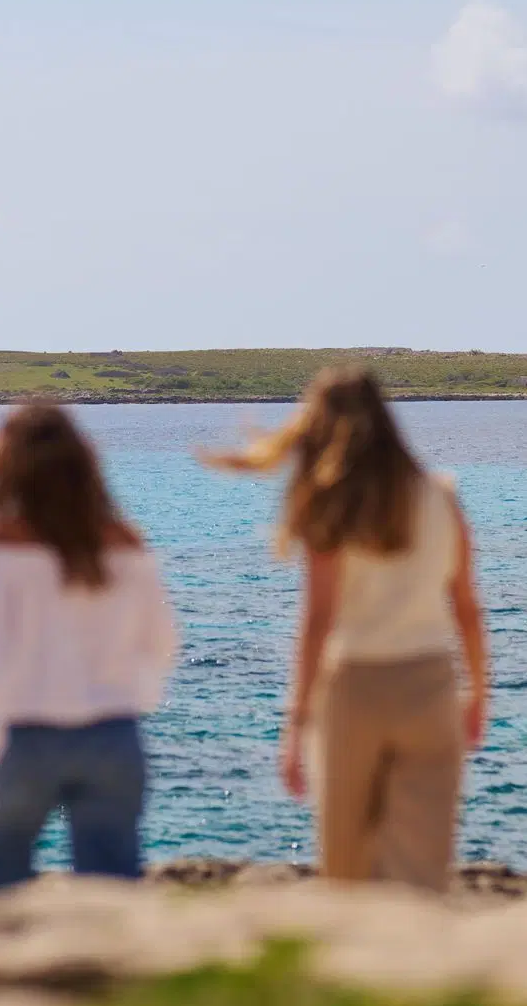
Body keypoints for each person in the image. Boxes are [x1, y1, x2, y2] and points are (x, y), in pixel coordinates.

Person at [205, 369, 489, 890]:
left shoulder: (330, 501)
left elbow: (319, 619)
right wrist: (478, 696)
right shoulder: (441, 496)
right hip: (430, 685)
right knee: (424, 869)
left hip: (354, 687)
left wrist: (295, 724)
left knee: (346, 867)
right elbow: (467, 606)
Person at [0, 403, 178, 893]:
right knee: (113, 886)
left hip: (24, 739)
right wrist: (129, 700)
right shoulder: (125, 542)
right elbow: (160, 641)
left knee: (0, 885)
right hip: (112, 733)